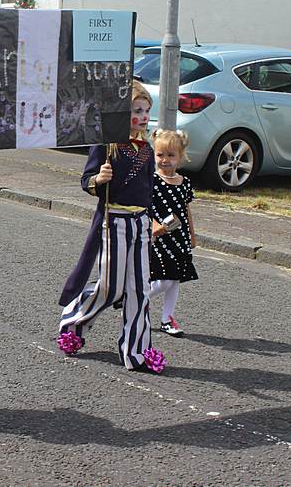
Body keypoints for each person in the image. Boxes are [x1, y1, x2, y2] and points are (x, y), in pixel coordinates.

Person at [57, 81, 164, 372]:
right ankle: (73, 320)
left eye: (146, 111)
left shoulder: (147, 147)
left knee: (140, 289)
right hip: (113, 222)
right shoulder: (106, 145)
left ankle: (137, 352)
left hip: (140, 223)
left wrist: (153, 219)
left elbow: (148, 189)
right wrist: (99, 180)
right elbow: (86, 181)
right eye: (136, 110)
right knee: (111, 287)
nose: (143, 117)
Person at [147, 129, 197, 337]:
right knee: (164, 279)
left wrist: (192, 234)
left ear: (180, 157)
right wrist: (153, 226)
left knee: (175, 279)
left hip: (179, 237)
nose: (165, 160)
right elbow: (144, 207)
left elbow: (186, 210)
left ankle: (167, 318)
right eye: (160, 155)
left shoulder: (184, 182)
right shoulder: (151, 180)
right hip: (159, 237)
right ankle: (135, 298)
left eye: (171, 155)